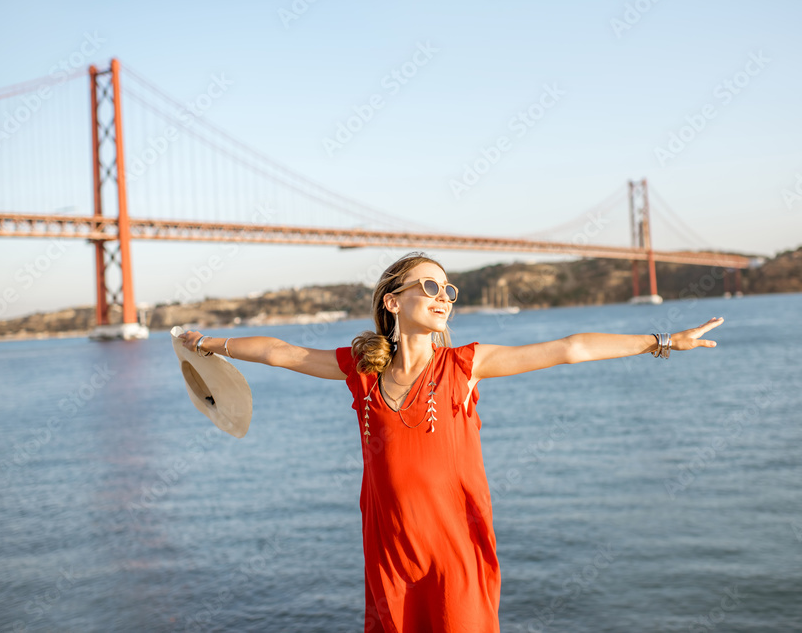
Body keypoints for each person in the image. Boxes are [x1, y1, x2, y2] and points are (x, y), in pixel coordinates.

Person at [179, 251, 724, 632]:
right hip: (391, 551)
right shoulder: (360, 371)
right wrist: (211, 343)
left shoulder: (465, 367)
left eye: (448, 290)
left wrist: (662, 341)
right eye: (431, 287)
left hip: (454, 552)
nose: (444, 297)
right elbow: (281, 352)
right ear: (393, 302)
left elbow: (570, 347)